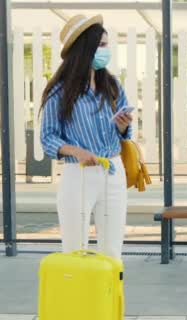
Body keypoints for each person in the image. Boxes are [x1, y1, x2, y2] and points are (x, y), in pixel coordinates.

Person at [40, 14, 133, 259]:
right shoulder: (59, 91)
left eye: (107, 44)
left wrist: (123, 127)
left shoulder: (111, 85)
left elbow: (124, 134)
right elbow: (48, 137)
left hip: (113, 171)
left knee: (112, 251)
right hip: (78, 174)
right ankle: (77, 297)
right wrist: (76, 151)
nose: (107, 50)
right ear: (86, 49)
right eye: (101, 45)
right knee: (74, 250)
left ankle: (110, 297)